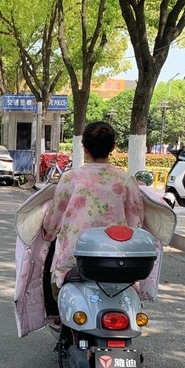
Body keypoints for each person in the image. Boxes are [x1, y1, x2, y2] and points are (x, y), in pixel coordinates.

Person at [40, 121, 145, 327]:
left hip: (76, 262)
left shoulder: (70, 178)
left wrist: (50, 233)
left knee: (48, 265)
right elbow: (136, 221)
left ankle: (56, 314)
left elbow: (52, 223)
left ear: (84, 148)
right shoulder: (126, 180)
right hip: (119, 261)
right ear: (113, 147)